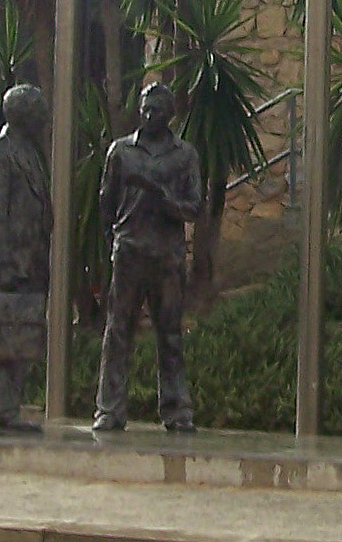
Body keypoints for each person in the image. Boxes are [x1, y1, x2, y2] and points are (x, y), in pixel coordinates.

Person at [93, 82, 202, 432]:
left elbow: (194, 207)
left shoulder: (185, 155)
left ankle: (176, 409)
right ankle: (110, 409)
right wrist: (113, 240)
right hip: (129, 252)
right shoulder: (120, 152)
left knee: (169, 333)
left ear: (169, 115)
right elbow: (105, 203)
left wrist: (164, 199)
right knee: (118, 330)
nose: (148, 114)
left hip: (166, 256)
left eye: (156, 110)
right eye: (145, 108)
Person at [0, 84, 52, 436]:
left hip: (32, 257)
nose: (44, 117)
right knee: (2, 336)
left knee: (22, 336)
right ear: (22, 114)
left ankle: (8, 409)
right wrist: (0, 263)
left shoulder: (29, 152)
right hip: (10, 261)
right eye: (38, 110)